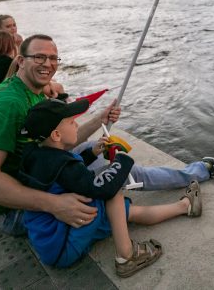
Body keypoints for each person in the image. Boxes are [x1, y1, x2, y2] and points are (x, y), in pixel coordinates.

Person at [0, 34, 214, 235]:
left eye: (53, 58)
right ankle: (199, 175)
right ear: (20, 61)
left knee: (102, 154)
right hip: (17, 211)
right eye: (39, 57)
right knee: (117, 180)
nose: (48, 64)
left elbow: (56, 144)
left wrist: (98, 120)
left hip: (37, 174)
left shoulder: (30, 90)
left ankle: (201, 169)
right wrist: (54, 204)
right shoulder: (7, 105)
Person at [20, 98, 201, 275]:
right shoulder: (62, 165)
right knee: (112, 190)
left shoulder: (38, 155)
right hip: (63, 244)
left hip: (50, 242)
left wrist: (91, 153)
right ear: (56, 135)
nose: (76, 125)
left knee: (123, 212)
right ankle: (127, 256)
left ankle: (185, 206)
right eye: (71, 122)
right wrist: (122, 159)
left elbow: (68, 177)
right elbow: (103, 187)